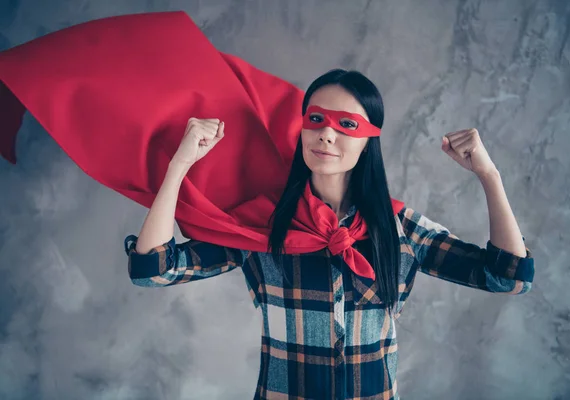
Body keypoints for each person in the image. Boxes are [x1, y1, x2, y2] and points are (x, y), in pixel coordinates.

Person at [124, 69, 535, 399]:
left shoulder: (400, 229)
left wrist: (489, 176)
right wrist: (179, 166)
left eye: (346, 124)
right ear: (302, 128)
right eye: (316, 119)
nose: (326, 134)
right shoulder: (264, 225)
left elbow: (508, 277)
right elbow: (154, 269)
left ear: (368, 141)